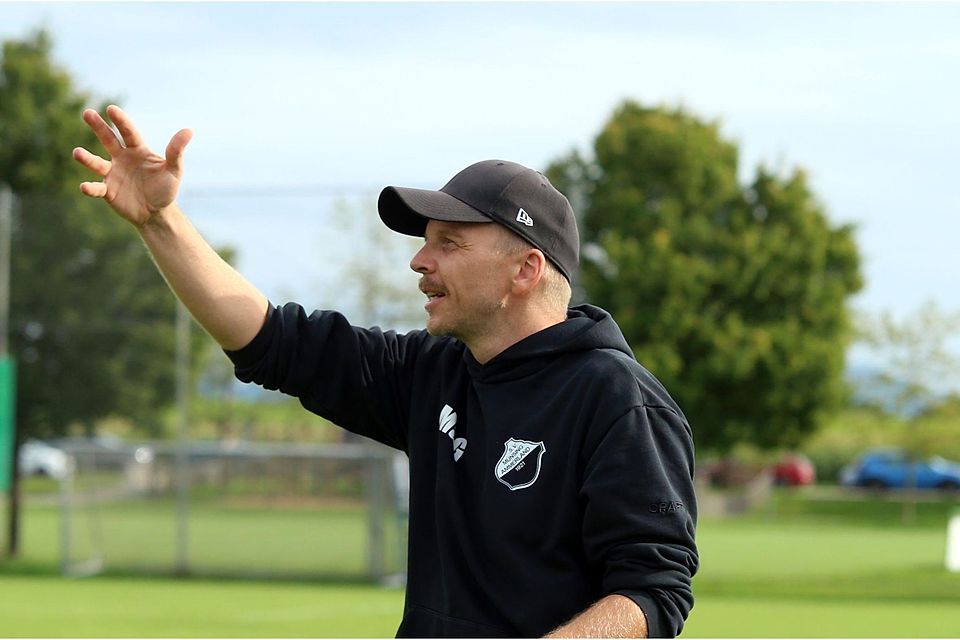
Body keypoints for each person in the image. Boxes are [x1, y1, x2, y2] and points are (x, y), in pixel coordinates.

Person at [73, 105, 699, 638]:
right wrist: (160, 222)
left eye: (449, 243)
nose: (420, 261)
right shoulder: (434, 373)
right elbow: (271, 339)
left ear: (526, 270)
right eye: (426, 242)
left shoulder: (617, 400)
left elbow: (652, 593)